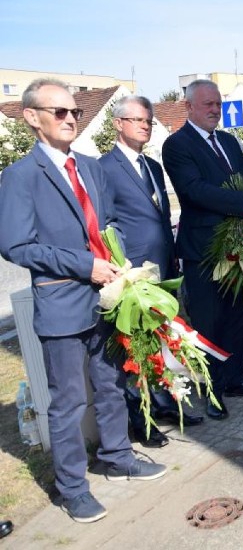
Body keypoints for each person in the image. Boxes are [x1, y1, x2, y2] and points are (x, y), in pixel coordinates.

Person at [0, 79, 166, 524]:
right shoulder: (18, 176)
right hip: (62, 302)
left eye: (74, 111)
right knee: (69, 401)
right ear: (31, 117)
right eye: (59, 112)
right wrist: (84, 264)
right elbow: (16, 246)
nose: (71, 118)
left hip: (107, 297)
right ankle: (72, 487)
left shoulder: (91, 167)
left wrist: (120, 263)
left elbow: (109, 222)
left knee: (111, 384)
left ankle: (116, 455)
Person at [162, 79, 243, 421]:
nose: (215, 110)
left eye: (218, 104)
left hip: (238, 246)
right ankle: (212, 389)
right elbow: (194, 190)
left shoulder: (228, 140)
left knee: (238, 315)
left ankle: (236, 377)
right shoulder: (176, 145)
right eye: (208, 104)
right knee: (209, 323)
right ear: (189, 107)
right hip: (203, 250)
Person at [100, 95, 203, 448]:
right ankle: (141, 420)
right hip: (133, 275)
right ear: (118, 123)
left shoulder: (153, 166)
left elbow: (160, 217)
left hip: (163, 270)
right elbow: (106, 224)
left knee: (164, 342)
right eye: (138, 120)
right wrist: (123, 268)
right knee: (137, 349)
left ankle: (168, 405)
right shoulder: (104, 168)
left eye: (149, 121)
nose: (145, 126)